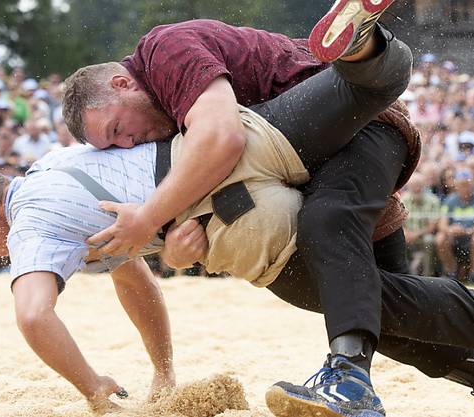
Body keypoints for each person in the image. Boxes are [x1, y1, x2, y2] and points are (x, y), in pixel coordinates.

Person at [0, 32, 474, 417]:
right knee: (376, 315)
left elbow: (31, 315)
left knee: (351, 282)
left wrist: (96, 389)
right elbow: (135, 278)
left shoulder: (32, 224)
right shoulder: (55, 171)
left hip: (255, 177)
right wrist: (162, 366)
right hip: (278, 160)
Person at [63, 4, 421, 416]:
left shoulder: (164, 49)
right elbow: (211, 185)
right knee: (395, 315)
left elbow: (224, 138)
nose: (126, 144)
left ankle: (362, 46)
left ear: (123, 83)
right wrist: (176, 250)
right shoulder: (162, 122)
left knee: (327, 226)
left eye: (115, 130)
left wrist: (148, 219)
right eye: (113, 146)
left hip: (353, 118)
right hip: (319, 162)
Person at [435, 169, 474, 281]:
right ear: (456, 186)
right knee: (440, 238)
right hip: (454, 237)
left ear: (473, 185)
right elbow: (442, 224)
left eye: (467, 185)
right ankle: (451, 271)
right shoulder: (449, 201)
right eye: (462, 185)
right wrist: (450, 230)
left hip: (472, 235)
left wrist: (467, 231)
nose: (465, 188)